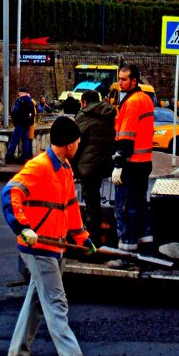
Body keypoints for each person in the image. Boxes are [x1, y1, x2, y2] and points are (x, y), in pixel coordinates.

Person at [0, 115, 104, 356]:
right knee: (56, 302)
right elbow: (9, 194)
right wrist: (23, 227)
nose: (79, 144)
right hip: (39, 247)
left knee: (36, 301)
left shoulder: (65, 169)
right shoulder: (39, 167)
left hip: (54, 246)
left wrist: (82, 238)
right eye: (78, 141)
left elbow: (69, 208)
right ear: (69, 144)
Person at [110, 63, 155, 265]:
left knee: (125, 209)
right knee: (139, 206)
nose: (120, 82)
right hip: (144, 163)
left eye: (124, 79)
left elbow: (127, 138)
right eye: (119, 78)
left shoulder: (132, 102)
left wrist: (119, 164)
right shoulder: (146, 99)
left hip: (131, 163)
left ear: (134, 81)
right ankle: (145, 251)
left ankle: (125, 256)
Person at [73, 90, 116, 246]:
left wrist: (72, 166)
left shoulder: (83, 116)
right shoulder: (109, 114)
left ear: (84, 102)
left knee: (90, 202)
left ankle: (92, 240)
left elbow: (76, 141)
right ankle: (98, 235)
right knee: (95, 198)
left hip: (87, 165)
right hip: (104, 163)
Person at [6, 86, 35, 163]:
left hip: (20, 124)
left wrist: (15, 123)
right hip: (27, 125)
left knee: (14, 140)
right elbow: (33, 114)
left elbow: (15, 112)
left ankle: (9, 157)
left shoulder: (20, 101)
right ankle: (23, 158)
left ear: (21, 92)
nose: (18, 93)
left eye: (18, 92)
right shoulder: (30, 101)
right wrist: (30, 123)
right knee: (25, 141)